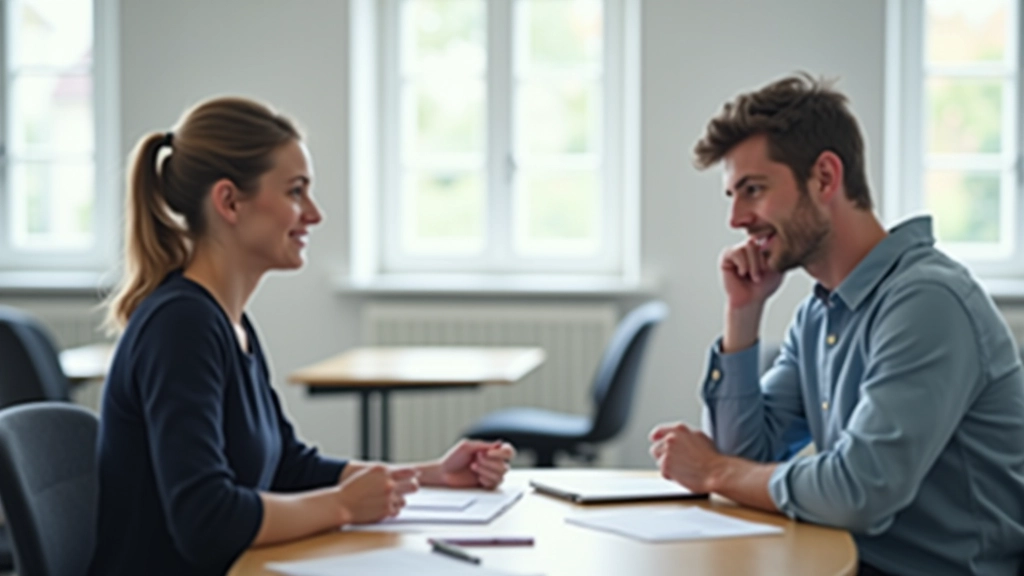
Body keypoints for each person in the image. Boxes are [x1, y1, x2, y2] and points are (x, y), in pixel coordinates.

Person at [89, 97, 516, 576]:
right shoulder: (180, 327)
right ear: (229, 202)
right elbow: (205, 521)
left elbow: (289, 468)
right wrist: (343, 506)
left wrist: (428, 475)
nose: (314, 214)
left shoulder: (229, 323)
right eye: (296, 192)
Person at [648, 74, 1024, 575]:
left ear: (825, 178)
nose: (736, 218)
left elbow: (859, 493)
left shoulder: (927, 302)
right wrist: (743, 314)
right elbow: (747, 455)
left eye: (753, 190)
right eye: (732, 195)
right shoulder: (820, 314)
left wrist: (714, 471)